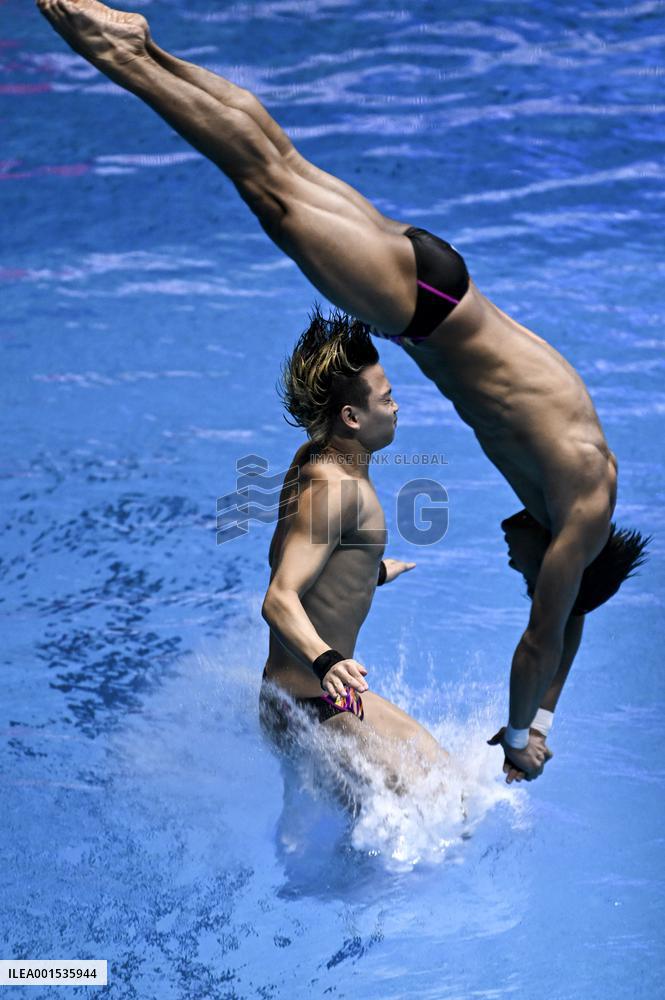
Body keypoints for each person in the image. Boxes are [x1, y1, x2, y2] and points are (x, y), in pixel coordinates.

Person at [37, 0, 649, 782]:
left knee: (277, 169)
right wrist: (522, 738)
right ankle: (116, 55)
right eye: (528, 576)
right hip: (418, 311)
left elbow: (565, 630)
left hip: (442, 285)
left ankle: (143, 45)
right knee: (265, 183)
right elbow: (542, 636)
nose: (514, 562)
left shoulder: (588, 487)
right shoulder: (578, 518)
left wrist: (549, 710)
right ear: (561, 570)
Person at [259, 308, 449, 798]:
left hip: (305, 701)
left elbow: (306, 555)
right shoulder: (336, 490)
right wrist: (326, 660)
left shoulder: (316, 458)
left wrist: (370, 571)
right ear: (352, 416)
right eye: (387, 399)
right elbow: (280, 596)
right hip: (309, 708)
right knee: (425, 804)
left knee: (446, 782)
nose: (396, 407)